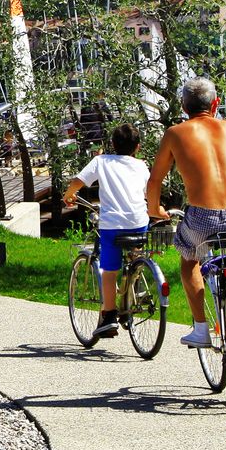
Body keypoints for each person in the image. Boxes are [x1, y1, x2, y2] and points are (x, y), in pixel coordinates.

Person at [147, 76, 226, 358]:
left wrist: (155, 211)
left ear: (183, 106)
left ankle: (201, 329)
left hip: (202, 217)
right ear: (215, 103)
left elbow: (154, 182)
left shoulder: (175, 133)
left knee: (189, 260)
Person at [60, 123, 151, 345]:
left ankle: (109, 314)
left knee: (109, 271)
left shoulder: (101, 161)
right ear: (137, 147)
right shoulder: (142, 166)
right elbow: (146, 192)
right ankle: (135, 283)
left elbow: (77, 182)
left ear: (112, 144)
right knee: (136, 253)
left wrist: (69, 195)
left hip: (112, 224)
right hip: (139, 221)